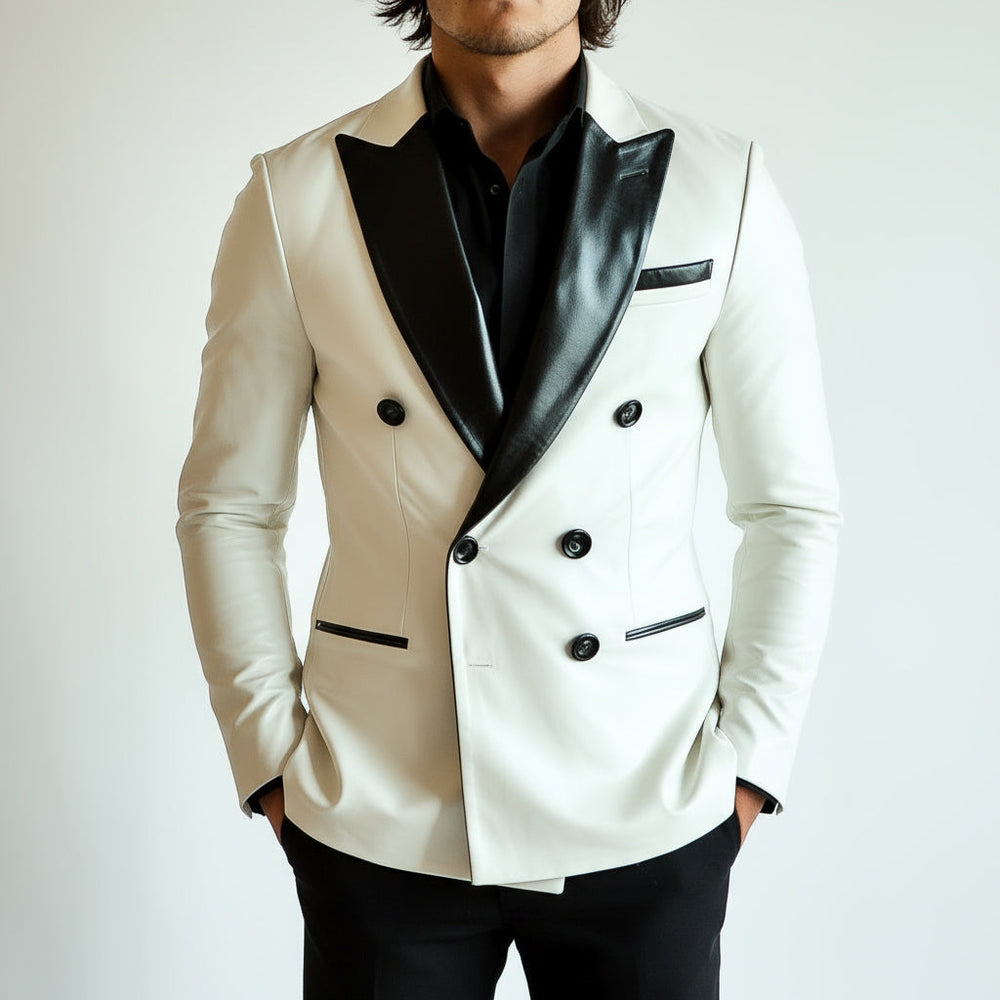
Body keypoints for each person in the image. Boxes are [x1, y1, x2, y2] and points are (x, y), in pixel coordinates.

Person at [175, 1, 842, 997]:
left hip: (644, 802)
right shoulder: (295, 194)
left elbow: (790, 508)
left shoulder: (718, 181)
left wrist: (748, 764)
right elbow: (229, 505)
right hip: (383, 812)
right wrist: (270, 759)